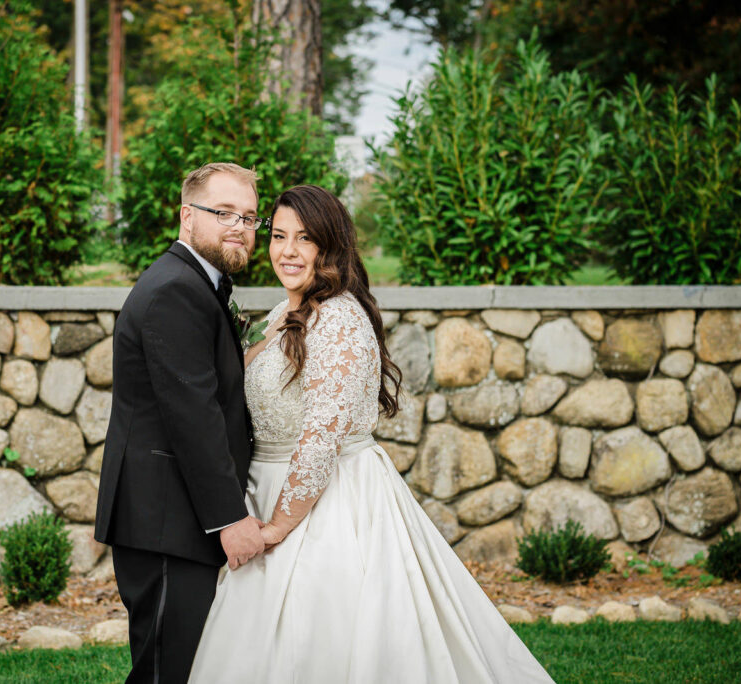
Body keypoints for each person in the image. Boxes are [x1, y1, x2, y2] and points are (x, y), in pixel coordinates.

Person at [189, 185, 555, 683]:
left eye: (305, 239)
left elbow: (321, 436)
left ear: (330, 246)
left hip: (329, 502)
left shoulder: (338, 319)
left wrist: (274, 528)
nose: (288, 251)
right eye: (277, 236)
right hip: (267, 488)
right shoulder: (281, 313)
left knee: (327, 636)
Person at [95, 162, 269, 684]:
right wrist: (230, 518)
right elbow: (192, 416)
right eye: (225, 213)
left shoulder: (198, 283)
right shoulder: (176, 289)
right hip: (168, 518)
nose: (239, 226)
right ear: (187, 216)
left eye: (250, 217)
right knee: (167, 670)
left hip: (172, 514)